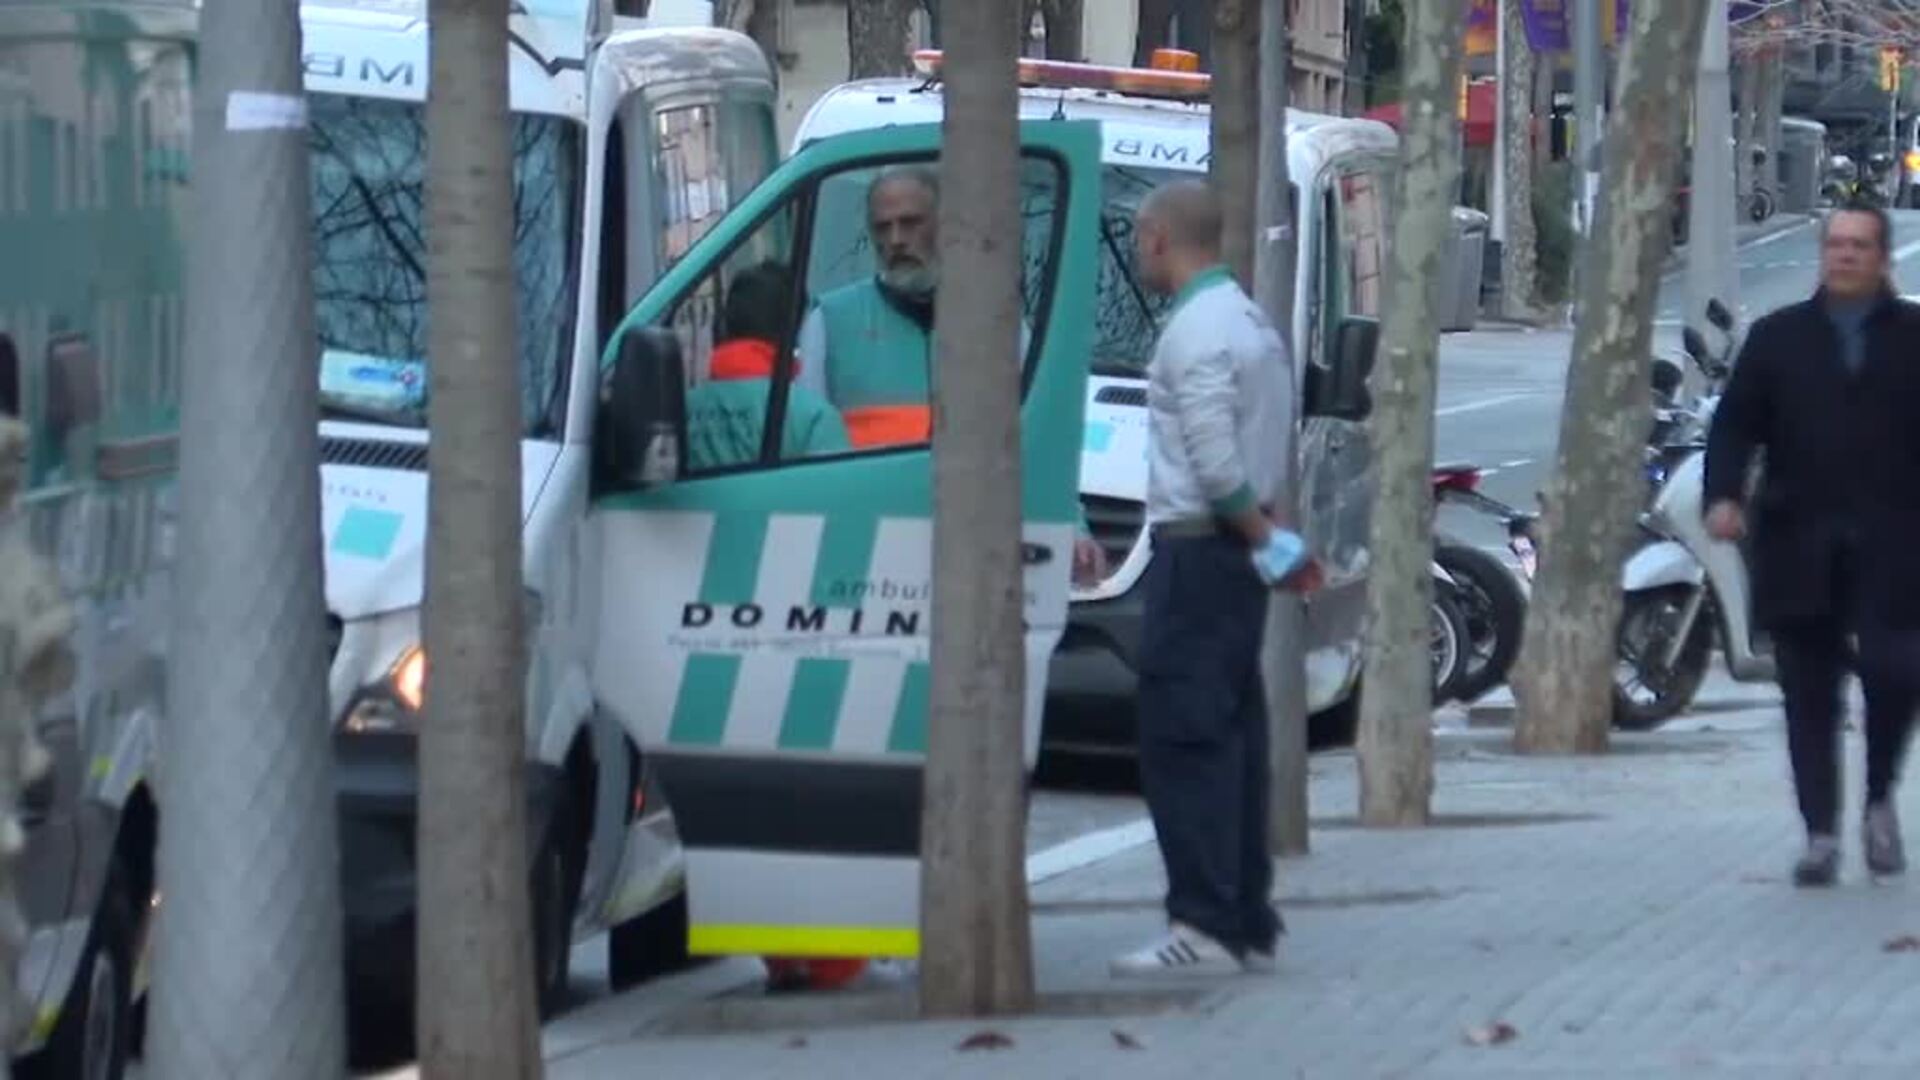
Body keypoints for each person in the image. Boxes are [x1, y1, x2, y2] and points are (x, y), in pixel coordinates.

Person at [1109, 179, 1313, 978]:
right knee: (1233, 733)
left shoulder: (1193, 334)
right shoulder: (1250, 323)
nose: (1136, 251)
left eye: (1138, 238)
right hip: (1234, 551)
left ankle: (1202, 919)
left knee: (1183, 737)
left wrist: (1264, 536)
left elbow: (1212, 453)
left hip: (1199, 550)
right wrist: (1271, 538)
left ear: (1160, 237)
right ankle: (1244, 912)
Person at [1703, 202, 1920, 887]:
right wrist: (1725, 495)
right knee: (1807, 692)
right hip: (1800, 538)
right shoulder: (1778, 339)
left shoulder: (1914, 337)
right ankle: (1821, 832)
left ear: (1882, 258)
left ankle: (1879, 794)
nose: (1844, 256)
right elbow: (1734, 426)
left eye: (1859, 246)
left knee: (1896, 672)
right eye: (1835, 245)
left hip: (1897, 541)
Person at [685, 260, 849, 472]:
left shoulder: (682, 411)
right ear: (794, 330)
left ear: (726, 325)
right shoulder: (813, 416)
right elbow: (839, 495)